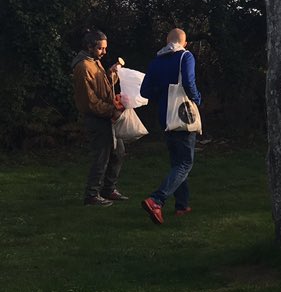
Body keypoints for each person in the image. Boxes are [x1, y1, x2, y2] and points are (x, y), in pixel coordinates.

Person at [139, 28, 201, 225]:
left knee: (177, 162)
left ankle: (182, 205)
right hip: (182, 114)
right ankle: (156, 200)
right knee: (185, 163)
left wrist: (163, 92)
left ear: (167, 42)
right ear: (185, 42)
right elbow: (189, 83)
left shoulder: (156, 60)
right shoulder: (185, 56)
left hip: (164, 116)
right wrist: (197, 99)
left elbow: (145, 91)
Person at [71, 29, 127, 206]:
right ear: (89, 46)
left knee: (118, 152)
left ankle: (108, 189)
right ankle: (91, 195)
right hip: (96, 118)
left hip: (106, 116)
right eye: (101, 48)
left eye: (105, 48)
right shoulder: (83, 67)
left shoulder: (95, 62)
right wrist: (112, 110)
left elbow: (103, 87)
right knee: (101, 156)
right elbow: (90, 100)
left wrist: (112, 73)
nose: (104, 52)